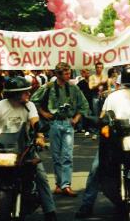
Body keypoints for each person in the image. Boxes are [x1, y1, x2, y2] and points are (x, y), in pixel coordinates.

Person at [0, 77, 61, 221]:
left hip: (23, 148)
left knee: (41, 176)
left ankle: (50, 214)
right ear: (15, 94)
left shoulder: (29, 106)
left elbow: (35, 122)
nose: (28, 94)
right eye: (25, 92)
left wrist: (39, 136)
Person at [75, 66, 130, 220]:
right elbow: (104, 115)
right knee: (96, 168)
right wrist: (100, 122)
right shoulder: (114, 97)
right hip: (116, 139)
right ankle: (87, 204)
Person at [31, 62, 90, 197]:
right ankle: (59, 184)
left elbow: (84, 104)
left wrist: (76, 118)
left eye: (70, 72)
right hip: (54, 123)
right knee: (56, 156)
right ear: (58, 74)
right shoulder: (49, 87)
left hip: (68, 123)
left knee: (67, 155)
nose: (69, 75)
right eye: (66, 73)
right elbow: (34, 100)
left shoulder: (73, 88)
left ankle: (66, 185)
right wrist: (43, 113)